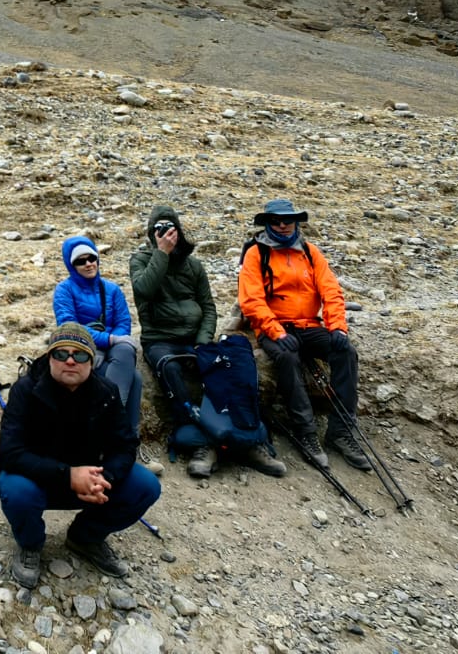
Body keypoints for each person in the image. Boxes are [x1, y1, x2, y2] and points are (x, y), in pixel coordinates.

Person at [0, 323, 161, 588]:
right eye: (61, 354)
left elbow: (125, 445)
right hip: (39, 480)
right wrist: (68, 475)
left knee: (145, 485)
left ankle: (85, 538)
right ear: (50, 357)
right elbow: (10, 453)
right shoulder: (25, 391)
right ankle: (30, 545)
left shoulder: (107, 392)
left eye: (80, 355)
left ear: (91, 361)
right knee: (15, 489)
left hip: (89, 483)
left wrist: (105, 477)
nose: (70, 361)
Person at [130, 206, 286, 479]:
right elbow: (144, 290)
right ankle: (204, 442)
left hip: (195, 337)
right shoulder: (141, 260)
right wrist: (161, 254)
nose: (166, 234)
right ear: (151, 234)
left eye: (170, 229)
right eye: (159, 229)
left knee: (229, 366)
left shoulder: (194, 265)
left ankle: (248, 436)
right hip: (160, 339)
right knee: (170, 369)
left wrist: (203, 341)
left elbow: (209, 307)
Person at [237, 198, 370, 471]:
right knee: (287, 357)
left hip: (310, 324)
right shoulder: (255, 253)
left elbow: (331, 291)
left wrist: (337, 327)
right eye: (277, 220)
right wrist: (274, 330)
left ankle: (341, 432)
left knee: (345, 352)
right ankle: (306, 432)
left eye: (289, 220)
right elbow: (251, 300)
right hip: (275, 326)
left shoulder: (310, 252)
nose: (283, 225)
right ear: (268, 223)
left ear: (297, 222)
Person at [52, 236, 143, 435]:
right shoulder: (64, 290)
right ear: (71, 264)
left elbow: (123, 323)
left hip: (112, 347)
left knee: (126, 347)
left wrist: (108, 343)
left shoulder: (112, 289)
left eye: (91, 258)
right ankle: (129, 438)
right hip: (81, 348)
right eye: (80, 261)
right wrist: (99, 344)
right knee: (134, 378)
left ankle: (111, 420)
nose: (88, 264)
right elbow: (69, 327)